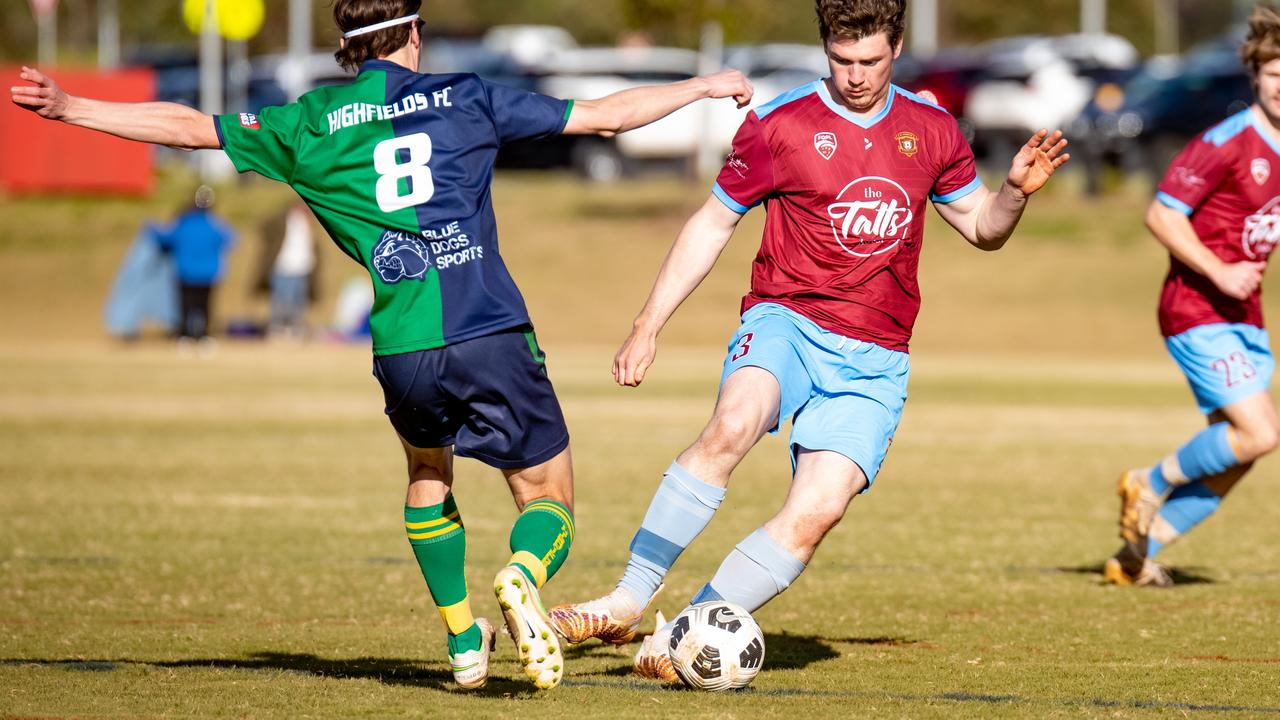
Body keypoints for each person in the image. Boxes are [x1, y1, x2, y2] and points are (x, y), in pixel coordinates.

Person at [10, 0, 752, 691]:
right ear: (415, 34)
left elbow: (188, 127)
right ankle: (523, 574)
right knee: (548, 492)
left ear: (346, 47)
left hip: (402, 345)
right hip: (487, 325)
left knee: (429, 470)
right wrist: (703, 84)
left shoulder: (310, 121)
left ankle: (464, 643)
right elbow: (609, 118)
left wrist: (72, 106)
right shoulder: (466, 95)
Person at [548, 0, 1069, 681]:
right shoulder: (781, 125)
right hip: (785, 319)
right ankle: (626, 598)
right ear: (825, 46)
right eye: (841, 60)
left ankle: (681, 635)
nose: (855, 76)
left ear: (899, 47)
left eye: (871, 61)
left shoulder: (932, 128)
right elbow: (711, 224)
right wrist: (649, 323)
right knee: (733, 423)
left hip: (876, 356)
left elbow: (982, 226)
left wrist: (1015, 194)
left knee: (817, 512)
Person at [1105, 5, 1280, 588]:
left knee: (1241, 454)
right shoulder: (1226, 142)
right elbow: (1162, 213)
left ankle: (1136, 555)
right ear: (1256, 76)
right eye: (1275, 75)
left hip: (1245, 316)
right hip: (1196, 308)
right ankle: (1148, 483)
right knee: (1262, 433)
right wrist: (1220, 270)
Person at [154, 185, 235, 345]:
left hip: (186, 272)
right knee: (205, 306)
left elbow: (167, 239)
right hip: (207, 273)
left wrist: (153, 230)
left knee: (186, 306)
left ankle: (185, 335)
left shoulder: (183, 222)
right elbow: (229, 238)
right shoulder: (214, 224)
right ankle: (204, 335)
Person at [256, 200, 320, 338]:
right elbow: (264, 227)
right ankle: (277, 327)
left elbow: (313, 246)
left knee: (298, 300)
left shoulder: (309, 224)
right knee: (280, 299)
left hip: (301, 267)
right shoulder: (282, 219)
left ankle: (294, 327)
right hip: (282, 265)